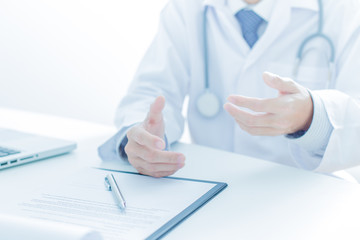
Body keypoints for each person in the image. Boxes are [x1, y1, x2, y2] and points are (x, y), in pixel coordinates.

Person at [98, 0, 360, 178]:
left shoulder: (345, 11)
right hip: (213, 190)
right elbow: (150, 90)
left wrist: (312, 117)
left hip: (311, 198)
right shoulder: (187, 8)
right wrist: (145, 138)